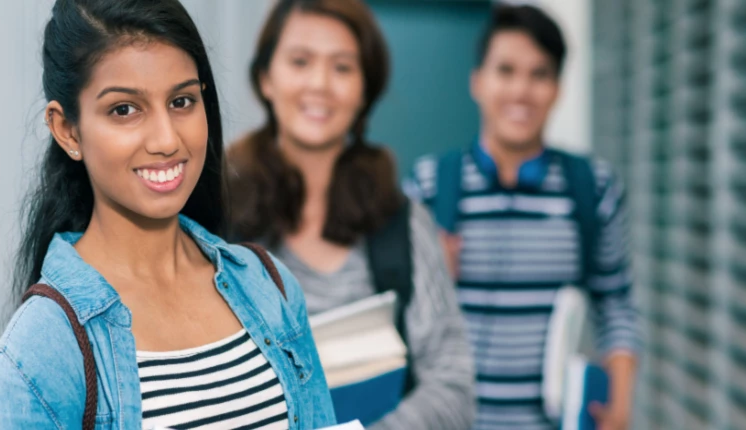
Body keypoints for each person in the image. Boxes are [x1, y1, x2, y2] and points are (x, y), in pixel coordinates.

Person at [0, 0, 336, 428]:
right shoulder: (33, 362)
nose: (166, 139)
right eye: (124, 109)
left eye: (182, 101)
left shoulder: (267, 285)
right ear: (67, 130)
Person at [227, 1, 474, 429]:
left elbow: (453, 386)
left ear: (364, 91)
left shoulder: (402, 221)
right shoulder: (215, 215)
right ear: (266, 78)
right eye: (300, 61)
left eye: (342, 67)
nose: (320, 84)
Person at [408, 4, 642, 430]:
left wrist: (621, 406)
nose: (521, 90)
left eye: (540, 74)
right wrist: (431, 282)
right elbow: (395, 320)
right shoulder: (427, 187)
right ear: (477, 82)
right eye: (506, 70)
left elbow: (616, 305)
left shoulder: (595, 187)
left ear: (558, 89)